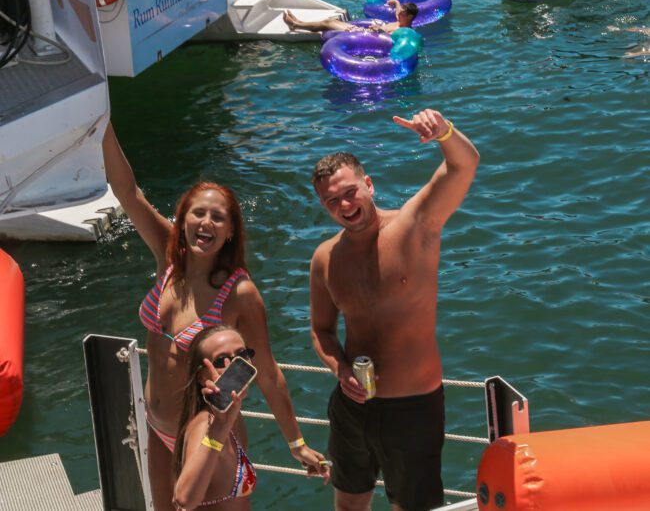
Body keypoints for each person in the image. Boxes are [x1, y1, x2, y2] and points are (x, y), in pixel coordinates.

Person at [102, 122, 329, 511]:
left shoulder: (239, 293)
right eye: (198, 213)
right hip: (157, 428)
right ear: (183, 218)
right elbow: (127, 192)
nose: (206, 222)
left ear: (230, 233)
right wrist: (100, 122)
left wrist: (297, 443)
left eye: (218, 218)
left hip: (212, 435)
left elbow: (269, 371)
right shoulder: (169, 257)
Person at [309, 109, 480, 511]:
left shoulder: (415, 226)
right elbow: (321, 331)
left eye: (350, 191)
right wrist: (341, 370)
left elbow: (464, 163)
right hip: (352, 406)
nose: (344, 204)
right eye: (331, 200)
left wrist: (444, 132)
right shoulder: (324, 259)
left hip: (413, 407)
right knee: (349, 504)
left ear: (369, 184)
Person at [172, 325, 256, 510]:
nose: (233, 366)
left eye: (242, 356)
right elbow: (184, 498)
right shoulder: (206, 425)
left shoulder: (233, 414)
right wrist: (219, 427)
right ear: (202, 377)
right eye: (220, 361)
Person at [283, 0, 418, 35]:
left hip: (363, 35)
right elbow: (398, 11)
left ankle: (295, 25)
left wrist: (380, 30)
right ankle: (299, 22)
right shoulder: (401, 20)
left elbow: (392, 36)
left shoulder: (404, 30)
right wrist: (397, 3)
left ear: (410, 17)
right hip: (365, 31)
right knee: (332, 21)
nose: (399, 13)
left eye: (403, 12)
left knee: (328, 23)